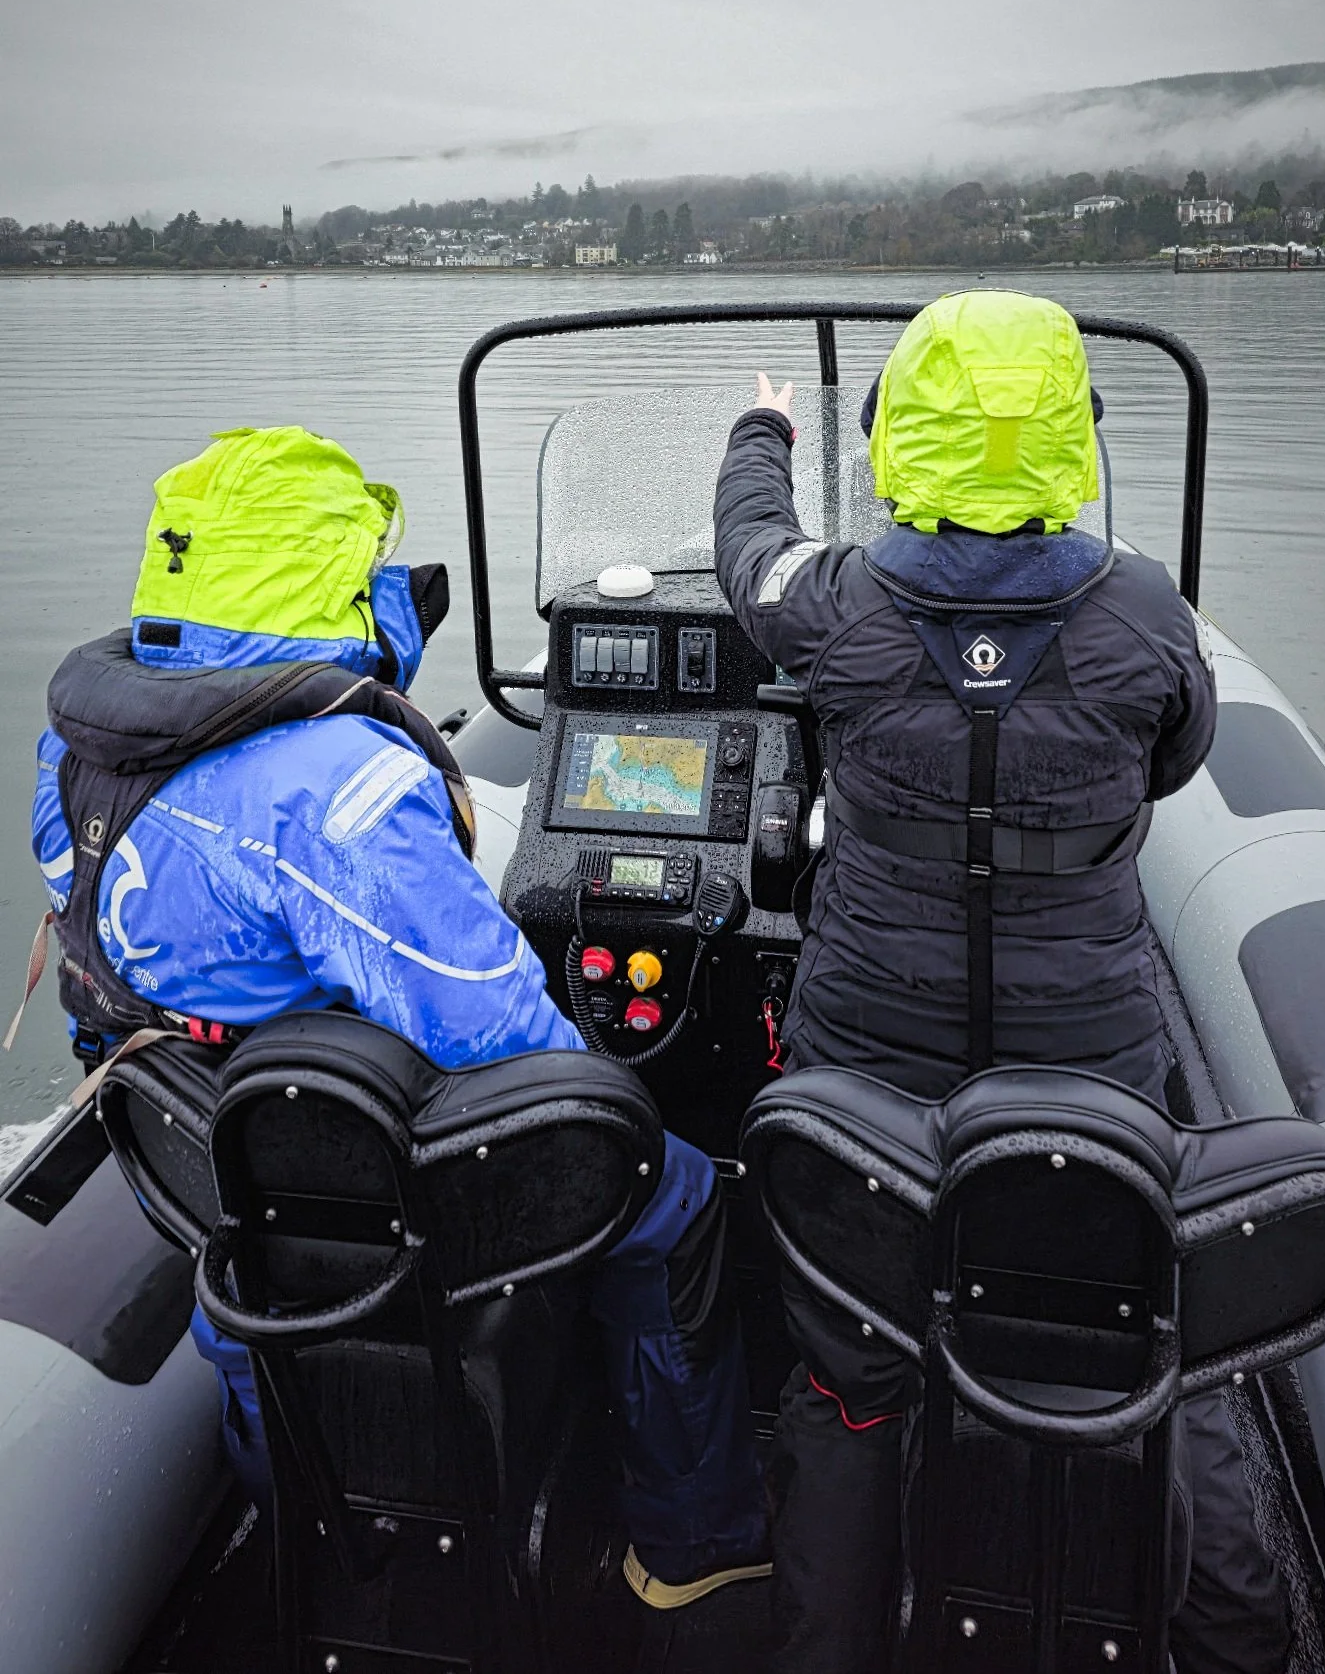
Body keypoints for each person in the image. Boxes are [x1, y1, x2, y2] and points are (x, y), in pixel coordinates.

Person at [24, 424, 769, 1624]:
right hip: (381, 1177)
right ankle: (697, 1550)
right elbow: (503, 1036)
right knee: (671, 1194)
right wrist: (617, 1089)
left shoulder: (79, 747)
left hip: (211, 1158)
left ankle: (305, 1539)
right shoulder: (337, 787)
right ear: (323, 574)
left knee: (250, 1286)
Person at [712, 291, 1289, 1674]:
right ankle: (1239, 1637)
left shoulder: (834, 603)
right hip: (1085, 1063)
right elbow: (1175, 756)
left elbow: (747, 553)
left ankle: (825, 1646)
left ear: (892, 430)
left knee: (850, 1371)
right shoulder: (1144, 607)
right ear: (1073, 439)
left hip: (862, 1069)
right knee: (1154, 1334)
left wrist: (758, 429)